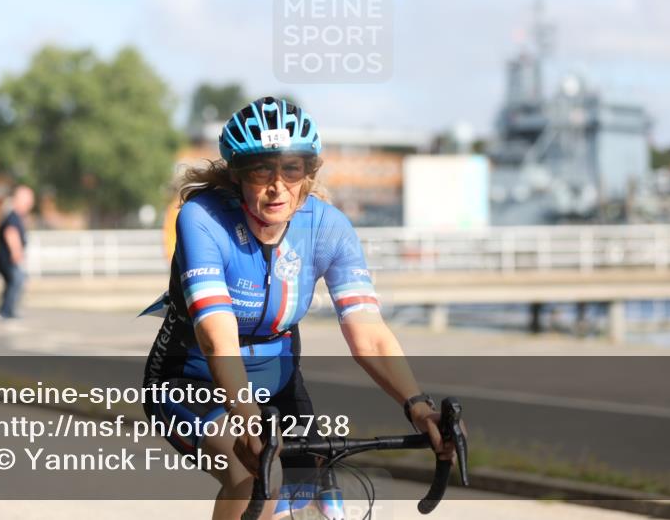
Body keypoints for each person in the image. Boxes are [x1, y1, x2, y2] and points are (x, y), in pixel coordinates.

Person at [140, 97, 464, 520]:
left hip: (279, 385)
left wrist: (418, 407)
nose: (277, 186)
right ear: (238, 174)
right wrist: (246, 417)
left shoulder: (328, 227)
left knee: (323, 494)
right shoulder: (202, 219)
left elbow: (369, 332)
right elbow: (216, 335)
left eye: (291, 168)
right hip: (192, 379)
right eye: (261, 169)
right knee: (254, 476)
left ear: (309, 172)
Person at [0, 185, 34, 320]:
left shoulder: (14, 215)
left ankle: (6, 310)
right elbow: (11, 233)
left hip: (5, 258)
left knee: (13, 282)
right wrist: (16, 252)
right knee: (17, 281)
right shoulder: (13, 216)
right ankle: (5, 312)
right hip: (8, 258)